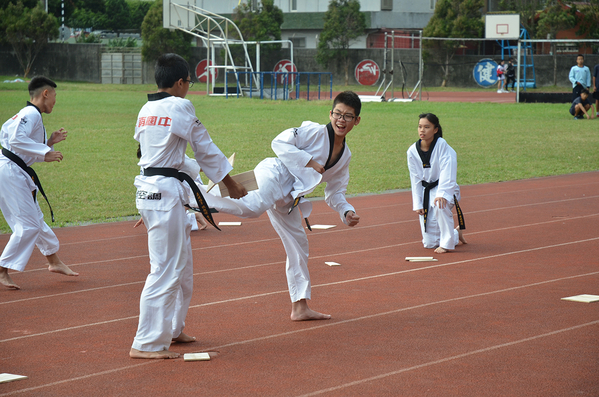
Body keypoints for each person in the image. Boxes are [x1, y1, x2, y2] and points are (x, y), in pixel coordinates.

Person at [204, 91, 362, 321]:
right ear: (330, 114)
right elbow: (278, 142)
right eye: (337, 113)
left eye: (348, 116)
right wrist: (308, 161)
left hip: (289, 197)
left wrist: (346, 210)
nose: (341, 120)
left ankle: (300, 307)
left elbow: (335, 191)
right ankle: (194, 193)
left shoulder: (344, 156)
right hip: (276, 173)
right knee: (254, 207)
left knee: (299, 245)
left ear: (356, 120)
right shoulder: (314, 131)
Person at [130, 53, 247, 360]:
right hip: (163, 194)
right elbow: (204, 146)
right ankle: (146, 343)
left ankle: (172, 329)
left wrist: (149, 205)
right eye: (189, 83)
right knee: (165, 272)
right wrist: (230, 184)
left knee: (182, 273)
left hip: (158, 192)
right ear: (181, 82)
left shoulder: (147, 108)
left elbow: (152, 155)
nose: (189, 89)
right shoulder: (179, 106)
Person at [0, 76, 78, 290]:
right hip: (10, 172)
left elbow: (20, 146)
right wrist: (45, 153)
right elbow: (16, 140)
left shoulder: (31, 115)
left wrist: (48, 142)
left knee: (36, 219)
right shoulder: (30, 113)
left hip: (15, 170)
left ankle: (53, 261)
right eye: (54, 96)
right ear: (45, 93)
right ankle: (2, 269)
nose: (55, 101)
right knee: (29, 225)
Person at [407, 113, 467, 254]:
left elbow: (448, 171)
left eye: (427, 127)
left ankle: (446, 244)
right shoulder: (411, 151)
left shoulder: (443, 146)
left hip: (445, 188)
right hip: (426, 191)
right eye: (420, 127)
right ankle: (456, 234)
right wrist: (418, 203)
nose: (422, 130)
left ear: (435, 129)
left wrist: (442, 194)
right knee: (430, 243)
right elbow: (415, 179)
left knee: (440, 204)